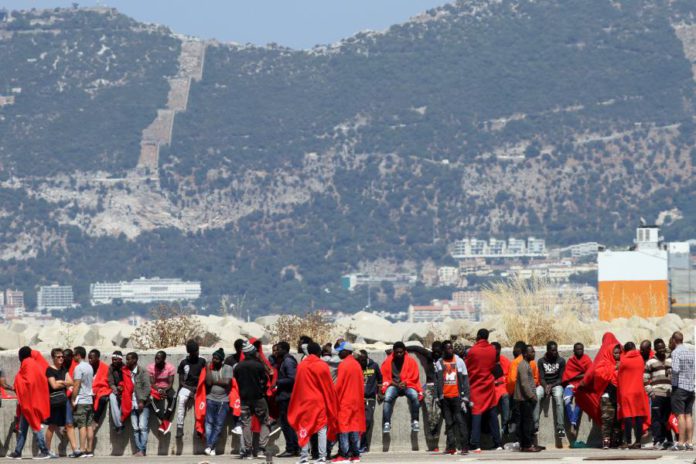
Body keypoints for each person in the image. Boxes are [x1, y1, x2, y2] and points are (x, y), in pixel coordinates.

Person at [288, 342, 339, 464]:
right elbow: (327, 386)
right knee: (322, 428)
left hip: (304, 401)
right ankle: (322, 457)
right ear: (318, 352)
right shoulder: (322, 365)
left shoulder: (302, 365)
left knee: (304, 428)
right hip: (319, 402)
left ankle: (303, 457)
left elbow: (298, 385)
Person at [8, 347, 51, 459]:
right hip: (33, 401)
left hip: (30, 403)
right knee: (23, 428)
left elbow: (27, 382)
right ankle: (17, 452)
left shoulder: (27, 364)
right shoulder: (35, 364)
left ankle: (44, 451)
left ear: (21, 356)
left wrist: (17, 382)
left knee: (36, 426)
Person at [234, 342, 272, 459]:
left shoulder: (238, 366)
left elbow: (236, 380)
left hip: (244, 398)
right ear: (253, 352)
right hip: (258, 398)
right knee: (265, 421)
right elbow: (264, 380)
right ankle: (261, 449)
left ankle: (248, 451)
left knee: (246, 424)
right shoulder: (259, 366)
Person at [466, 329, 502, 453]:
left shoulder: (473, 350)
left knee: (476, 414)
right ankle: (498, 443)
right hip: (489, 385)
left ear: (478, 336)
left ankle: (475, 444)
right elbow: (493, 366)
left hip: (476, 386)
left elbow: (468, 367)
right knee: (492, 414)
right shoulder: (492, 350)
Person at [434, 340, 470, 455]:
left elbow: (465, 380)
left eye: (451, 348)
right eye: (447, 348)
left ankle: (464, 447)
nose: (450, 350)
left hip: (457, 397)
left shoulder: (459, 361)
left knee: (460, 422)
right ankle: (451, 447)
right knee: (449, 423)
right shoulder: (439, 363)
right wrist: (436, 397)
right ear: (443, 350)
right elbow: (436, 381)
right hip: (445, 398)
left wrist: (466, 397)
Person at [407, 340, 444, 450]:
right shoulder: (429, 355)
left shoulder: (444, 357)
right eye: (434, 351)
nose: (436, 353)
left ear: (441, 351)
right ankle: (432, 437)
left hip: (440, 388)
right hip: (429, 386)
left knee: (438, 413)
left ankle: (435, 435)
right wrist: (404, 348)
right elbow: (417, 348)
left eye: (438, 351)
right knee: (429, 412)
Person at [380, 341, 422, 434]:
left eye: (401, 352)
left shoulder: (411, 361)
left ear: (404, 351)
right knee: (387, 398)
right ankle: (387, 423)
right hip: (393, 385)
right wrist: (394, 383)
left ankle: (415, 421)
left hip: (407, 385)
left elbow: (415, 376)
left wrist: (406, 382)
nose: (399, 354)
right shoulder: (388, 361)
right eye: (397, 352)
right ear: (394, 352)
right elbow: (384, 376)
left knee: (414, 396)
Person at [333, 342, 365, 463]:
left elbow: (339, 384)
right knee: (354, 427)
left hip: (345, 401)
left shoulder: (343, 364)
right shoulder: (357, 364)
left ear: (346, 351)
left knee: (343, 427)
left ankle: (344, 455)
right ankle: (355, 455)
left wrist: (332, 396)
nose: (339, 353)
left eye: (341, 351)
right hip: (356, 401)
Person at [45, 348, 78, 458]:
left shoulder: (64, 369)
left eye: (62, 357)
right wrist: (64, 383)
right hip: (54, 401)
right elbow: (53, 386)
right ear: (53, 358)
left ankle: (75, 449)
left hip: (64, 400)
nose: (61, 358)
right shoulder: (49, 370)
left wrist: (60, 381)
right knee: (52, 425)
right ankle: (47, 450)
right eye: (58, 357)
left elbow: (71, 382)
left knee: (69, 424)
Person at [617, 342, 650, 449]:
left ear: (625, 350)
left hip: (626, 392)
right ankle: (638, 442)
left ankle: (628, 442)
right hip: (638, 391)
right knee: (638, 415)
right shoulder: (640, 359)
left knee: (628, 416)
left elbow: (619, 376)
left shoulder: (623, 360)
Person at [203, 348, 233, 456]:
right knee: (209, 423)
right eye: (213, 358)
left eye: (216, 359)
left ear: (221, 360)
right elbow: (208, 382)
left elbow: (226, 382)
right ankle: (211, 448)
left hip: (223, 401)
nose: (214, 360)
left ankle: (210, 446)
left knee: (219, 425)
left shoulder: (228, 368)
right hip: (210, 399)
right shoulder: (210, 369)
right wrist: (207, 368)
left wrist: (214, 381)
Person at [644, 338, 672, 449]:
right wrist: (651, 392)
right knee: (656, 419)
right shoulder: (650, 362)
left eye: (663, 347)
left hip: (669, 394)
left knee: (666, 419)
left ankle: (668, 441)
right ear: (655, 349)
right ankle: (657, 441)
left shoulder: (670, 360)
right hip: (657, 394)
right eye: (659, 348)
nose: (661, 350)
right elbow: (645, 379)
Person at [175, 339, 207, 438]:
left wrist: (198, 389)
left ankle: (200, 428)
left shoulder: (203, 361)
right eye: (195, 352)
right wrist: (191, 389)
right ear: (190, 352)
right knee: (181, 399)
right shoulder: (183, 362)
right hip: (187, 387)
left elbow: (206, 377)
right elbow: (181, 381)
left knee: (201, 405)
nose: (197, 353)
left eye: (197, 351)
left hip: (200, 387)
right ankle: (180, 427)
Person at [670, 331, 694, 450]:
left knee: (680, 416)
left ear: (674, 340)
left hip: (679, 387)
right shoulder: (691, 352)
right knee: (688, 415)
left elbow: (675, 369)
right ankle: (689, 442)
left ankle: (680, 443)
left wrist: (669, 372)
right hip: (690, 387)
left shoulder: (675, 352)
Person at [275, 341, 300, 458]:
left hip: (287, 397)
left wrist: (277, 382)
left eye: (279, 349)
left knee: (286, 424)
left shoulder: (288, 361)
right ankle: (294, 448)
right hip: (285, 396)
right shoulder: (284, 361)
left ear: (285, 349)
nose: (276, 351)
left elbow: (292, 378)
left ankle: (291, 448)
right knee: (288, 423)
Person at [515, 345, 541, 452]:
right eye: (532, 352)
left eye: (534, 351)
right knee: (526, 423)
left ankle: (527, 444)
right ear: (525, 354)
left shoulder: (527, 364)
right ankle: (526, 445)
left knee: (526, 422)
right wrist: (532, 396)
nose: (534, 353)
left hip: (526, 399)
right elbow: (524, 384)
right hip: (524, 399)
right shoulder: (523, 365)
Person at [537, 341, 566, 437]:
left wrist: (551, 386)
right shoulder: (541, 361)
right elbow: (541, 378)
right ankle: (535, 425)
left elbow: (561, 378)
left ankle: (560, 428)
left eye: (556, 350)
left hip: (556, 384)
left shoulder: (561, 361)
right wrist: (546, 386)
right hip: (544, 384)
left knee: (558, 398)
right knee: (537, 394)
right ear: (548, 351)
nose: (555, 352)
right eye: (552, 350)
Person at [561, 343, 591, 434]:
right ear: (574, 351)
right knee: (566, 400)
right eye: (577, 349)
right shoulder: (571, 361)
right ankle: (573, 422)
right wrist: (581, 375)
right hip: (571, 384)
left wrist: (575, 376)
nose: (580, 351)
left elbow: (590, 373)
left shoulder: (587, 359)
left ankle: (573, 423)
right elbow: (568, 376)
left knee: (580, 401)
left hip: (582, 385)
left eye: (581, 349)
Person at [125, 352, 150, 457]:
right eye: (126, 359)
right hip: (132, 404)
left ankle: (142, 450)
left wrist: (142, 401)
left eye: (129, 359)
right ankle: (139, 449)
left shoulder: (142, 372)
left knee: (143, 427)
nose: (127, 361)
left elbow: (147, 388)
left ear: (135, 360)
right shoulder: (126, 372)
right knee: (135, 428)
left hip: (142, 404)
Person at [71, 346, 95, 458]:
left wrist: (73, 399)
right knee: (89, 425)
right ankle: (89, 449)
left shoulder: (78, 368)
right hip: (89, 400)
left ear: (78, 355)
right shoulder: (89, 367)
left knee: (82, 425)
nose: (73, 357)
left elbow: (76, 384)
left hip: (81, 400)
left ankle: (82, 449)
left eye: (74, 355)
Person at [358, 350, 381, 453]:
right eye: (360, 360)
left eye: (363, 360)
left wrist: (379, 392)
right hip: (358, 398)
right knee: (358, 422)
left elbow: (380, 379)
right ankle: (358, 445)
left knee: (367, 420)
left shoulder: (374, 366)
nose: (361, 362)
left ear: (367, 358)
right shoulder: (356, 366)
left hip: (370, 398)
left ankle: (363, 445)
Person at [147, 351, 176, 435]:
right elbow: (152, 383)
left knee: (173, 397)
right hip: (156, 388)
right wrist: (159, 390)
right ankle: (165, 422)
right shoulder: (151, 367)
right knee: (150, 399)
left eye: (158, 358)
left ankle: (164, 422)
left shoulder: (170, 367)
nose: (156, 360)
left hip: (167, 387)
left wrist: (165, 390)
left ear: (164, 359)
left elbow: (170, 383)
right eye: (155, 358)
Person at [491, 342, 511, 435]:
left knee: (505, 396)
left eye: (494, 349)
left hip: (502, 386)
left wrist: (501, 380)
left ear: (499, 350)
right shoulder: (487, 360)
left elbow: (509, 375)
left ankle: (505, 424)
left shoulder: (504, 360)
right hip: (491, 386)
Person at [88, 349, 111, 428]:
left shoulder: (105, 367)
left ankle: (95, 420)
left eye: (91, 358)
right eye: (89, 358)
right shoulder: (88, 367)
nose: (89, 360)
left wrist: (96, 389)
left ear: (97, 358)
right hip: (90, 389)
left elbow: (105, 382)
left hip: (102, 389)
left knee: (103, 399)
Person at [107, 351, 127, 433]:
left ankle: (119, 425)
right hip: (115, 390)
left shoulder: (125, 367)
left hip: (125, 390)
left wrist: (122, 389)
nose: (114, 361)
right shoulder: (111, 367)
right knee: (112, 398)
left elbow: (128, 382)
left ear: (120, 359)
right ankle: (119, 424)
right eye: (113, 359)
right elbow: (111, 382)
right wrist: (116, 390)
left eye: (115, 359)